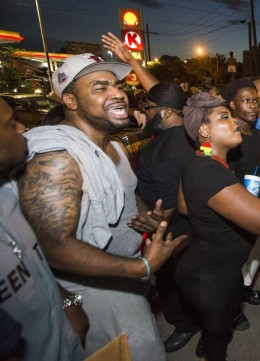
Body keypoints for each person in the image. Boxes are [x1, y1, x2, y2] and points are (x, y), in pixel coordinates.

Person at [17, 53, 185, 360]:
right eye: (100, 87)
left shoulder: (115, 146)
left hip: (127, 280)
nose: (118, 93)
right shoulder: (57, 158)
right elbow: (53, 245)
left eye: (117, 85)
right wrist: (142, 267)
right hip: (94, 293)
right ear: (70, 101)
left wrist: (145, 215)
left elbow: (127, 194)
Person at [176, 92, 260, 361]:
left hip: (213, 271)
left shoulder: (203, 160)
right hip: (211, 279)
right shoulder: (209, 171)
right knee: (216, 341)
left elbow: (185, 207)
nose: (234, 122)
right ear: (204, 129)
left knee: (217, 332)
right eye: (225, 117)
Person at [103, 31, 201, 353]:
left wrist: (155, 225)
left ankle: (186, 325)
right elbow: (164, 96)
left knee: (172, 281)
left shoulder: (157, 151)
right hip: (198, 227)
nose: (138, 112)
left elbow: (166, 202)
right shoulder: (190, 130)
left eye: (146, 107)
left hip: (171, 233)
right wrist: (131, 61)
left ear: (164, 113)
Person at [0, 97, 84, 361]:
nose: (22, 129)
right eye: (9, 124)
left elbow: (33, 259)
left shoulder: (9, 195)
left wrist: (67, 304)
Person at [226, 78, 260, 327]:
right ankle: (232, 311)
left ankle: (243, 292)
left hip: (255, 207)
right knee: (234, 262)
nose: (253, 106)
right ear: (232, 105)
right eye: (246, 101)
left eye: (254, 100)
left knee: (251, 255)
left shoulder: (255, 136)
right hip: (235, 210)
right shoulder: (229, 138)